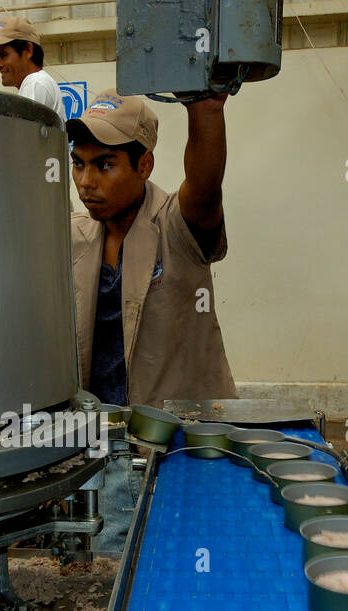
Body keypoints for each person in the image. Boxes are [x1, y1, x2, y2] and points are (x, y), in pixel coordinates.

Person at [67, 89, 237, 407]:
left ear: (144, 166)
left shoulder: (175, 226)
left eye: (104, 166)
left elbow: (205, 187)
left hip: (182, 441)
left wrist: (206, 111)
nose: (86, 182)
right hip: (103, 436)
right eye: (78, 164)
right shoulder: (75, 238)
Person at [0, 16, 66, 123]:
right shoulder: (37, 82)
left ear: (28, 50)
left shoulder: (34, 82)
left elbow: (23, 135)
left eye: (3, 55)